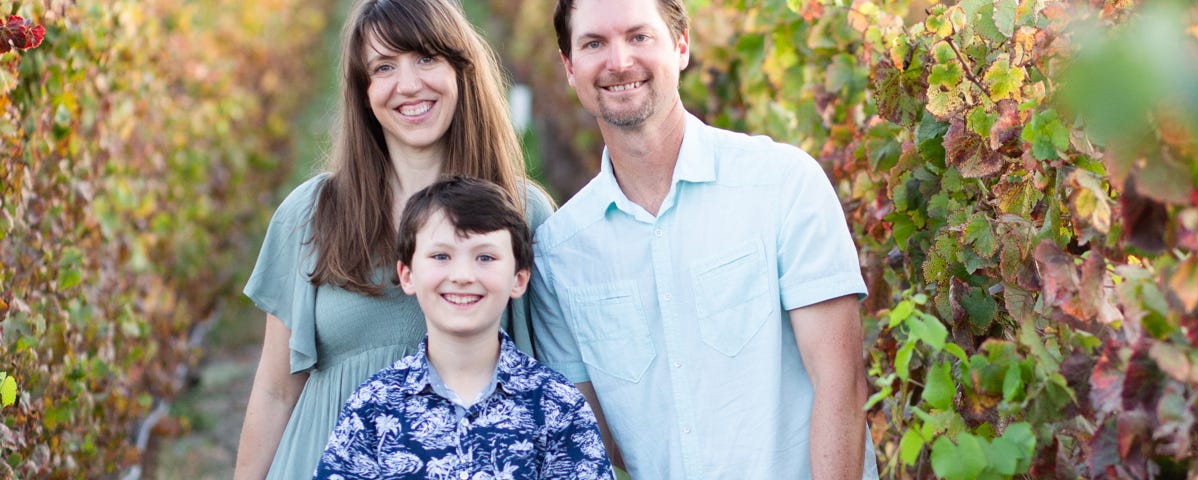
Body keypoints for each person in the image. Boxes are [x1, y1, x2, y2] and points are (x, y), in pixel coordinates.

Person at [529, 0, 879, 478]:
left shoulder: (782, 185)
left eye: (639, 36)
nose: (619, 61)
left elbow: (841, 386)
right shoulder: (559, 253)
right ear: (570, 67)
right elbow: (594, 442)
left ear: (682, 44)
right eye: (594, 43)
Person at [233, 0, 555, 478]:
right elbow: (276, 390)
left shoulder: (522, 213)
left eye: (426, 58)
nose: (408, 84)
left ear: (461, 71)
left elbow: (556, 378)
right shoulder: (311, 215)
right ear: (364, 92)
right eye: (384, 67)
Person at [313, 177, 614, 479]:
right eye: (441, 256)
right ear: (407, 275)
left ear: (518, 278)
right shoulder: (373, 406)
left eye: (485, 257)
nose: (462, 275)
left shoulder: (556, 405)